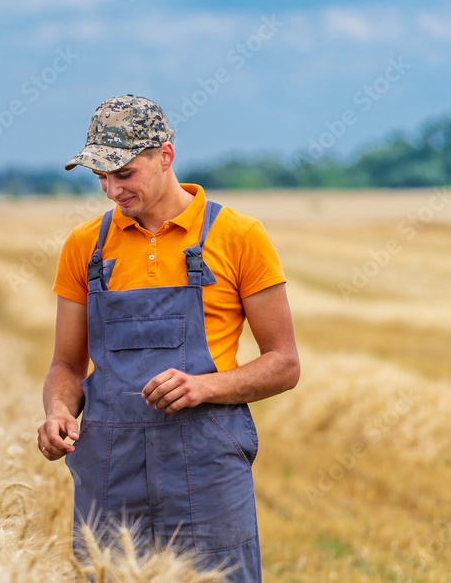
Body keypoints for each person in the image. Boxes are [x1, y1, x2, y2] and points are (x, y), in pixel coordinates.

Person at [36, 95, 300, 582]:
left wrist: (205, 387)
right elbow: (66, 367)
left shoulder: (239, 236)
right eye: (101, 177)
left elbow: (284, 363)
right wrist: (57, 412)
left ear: (165, 155)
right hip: (110, 474)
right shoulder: (83, 248)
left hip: (207, 471)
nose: (112, 190)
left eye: (125, 174)